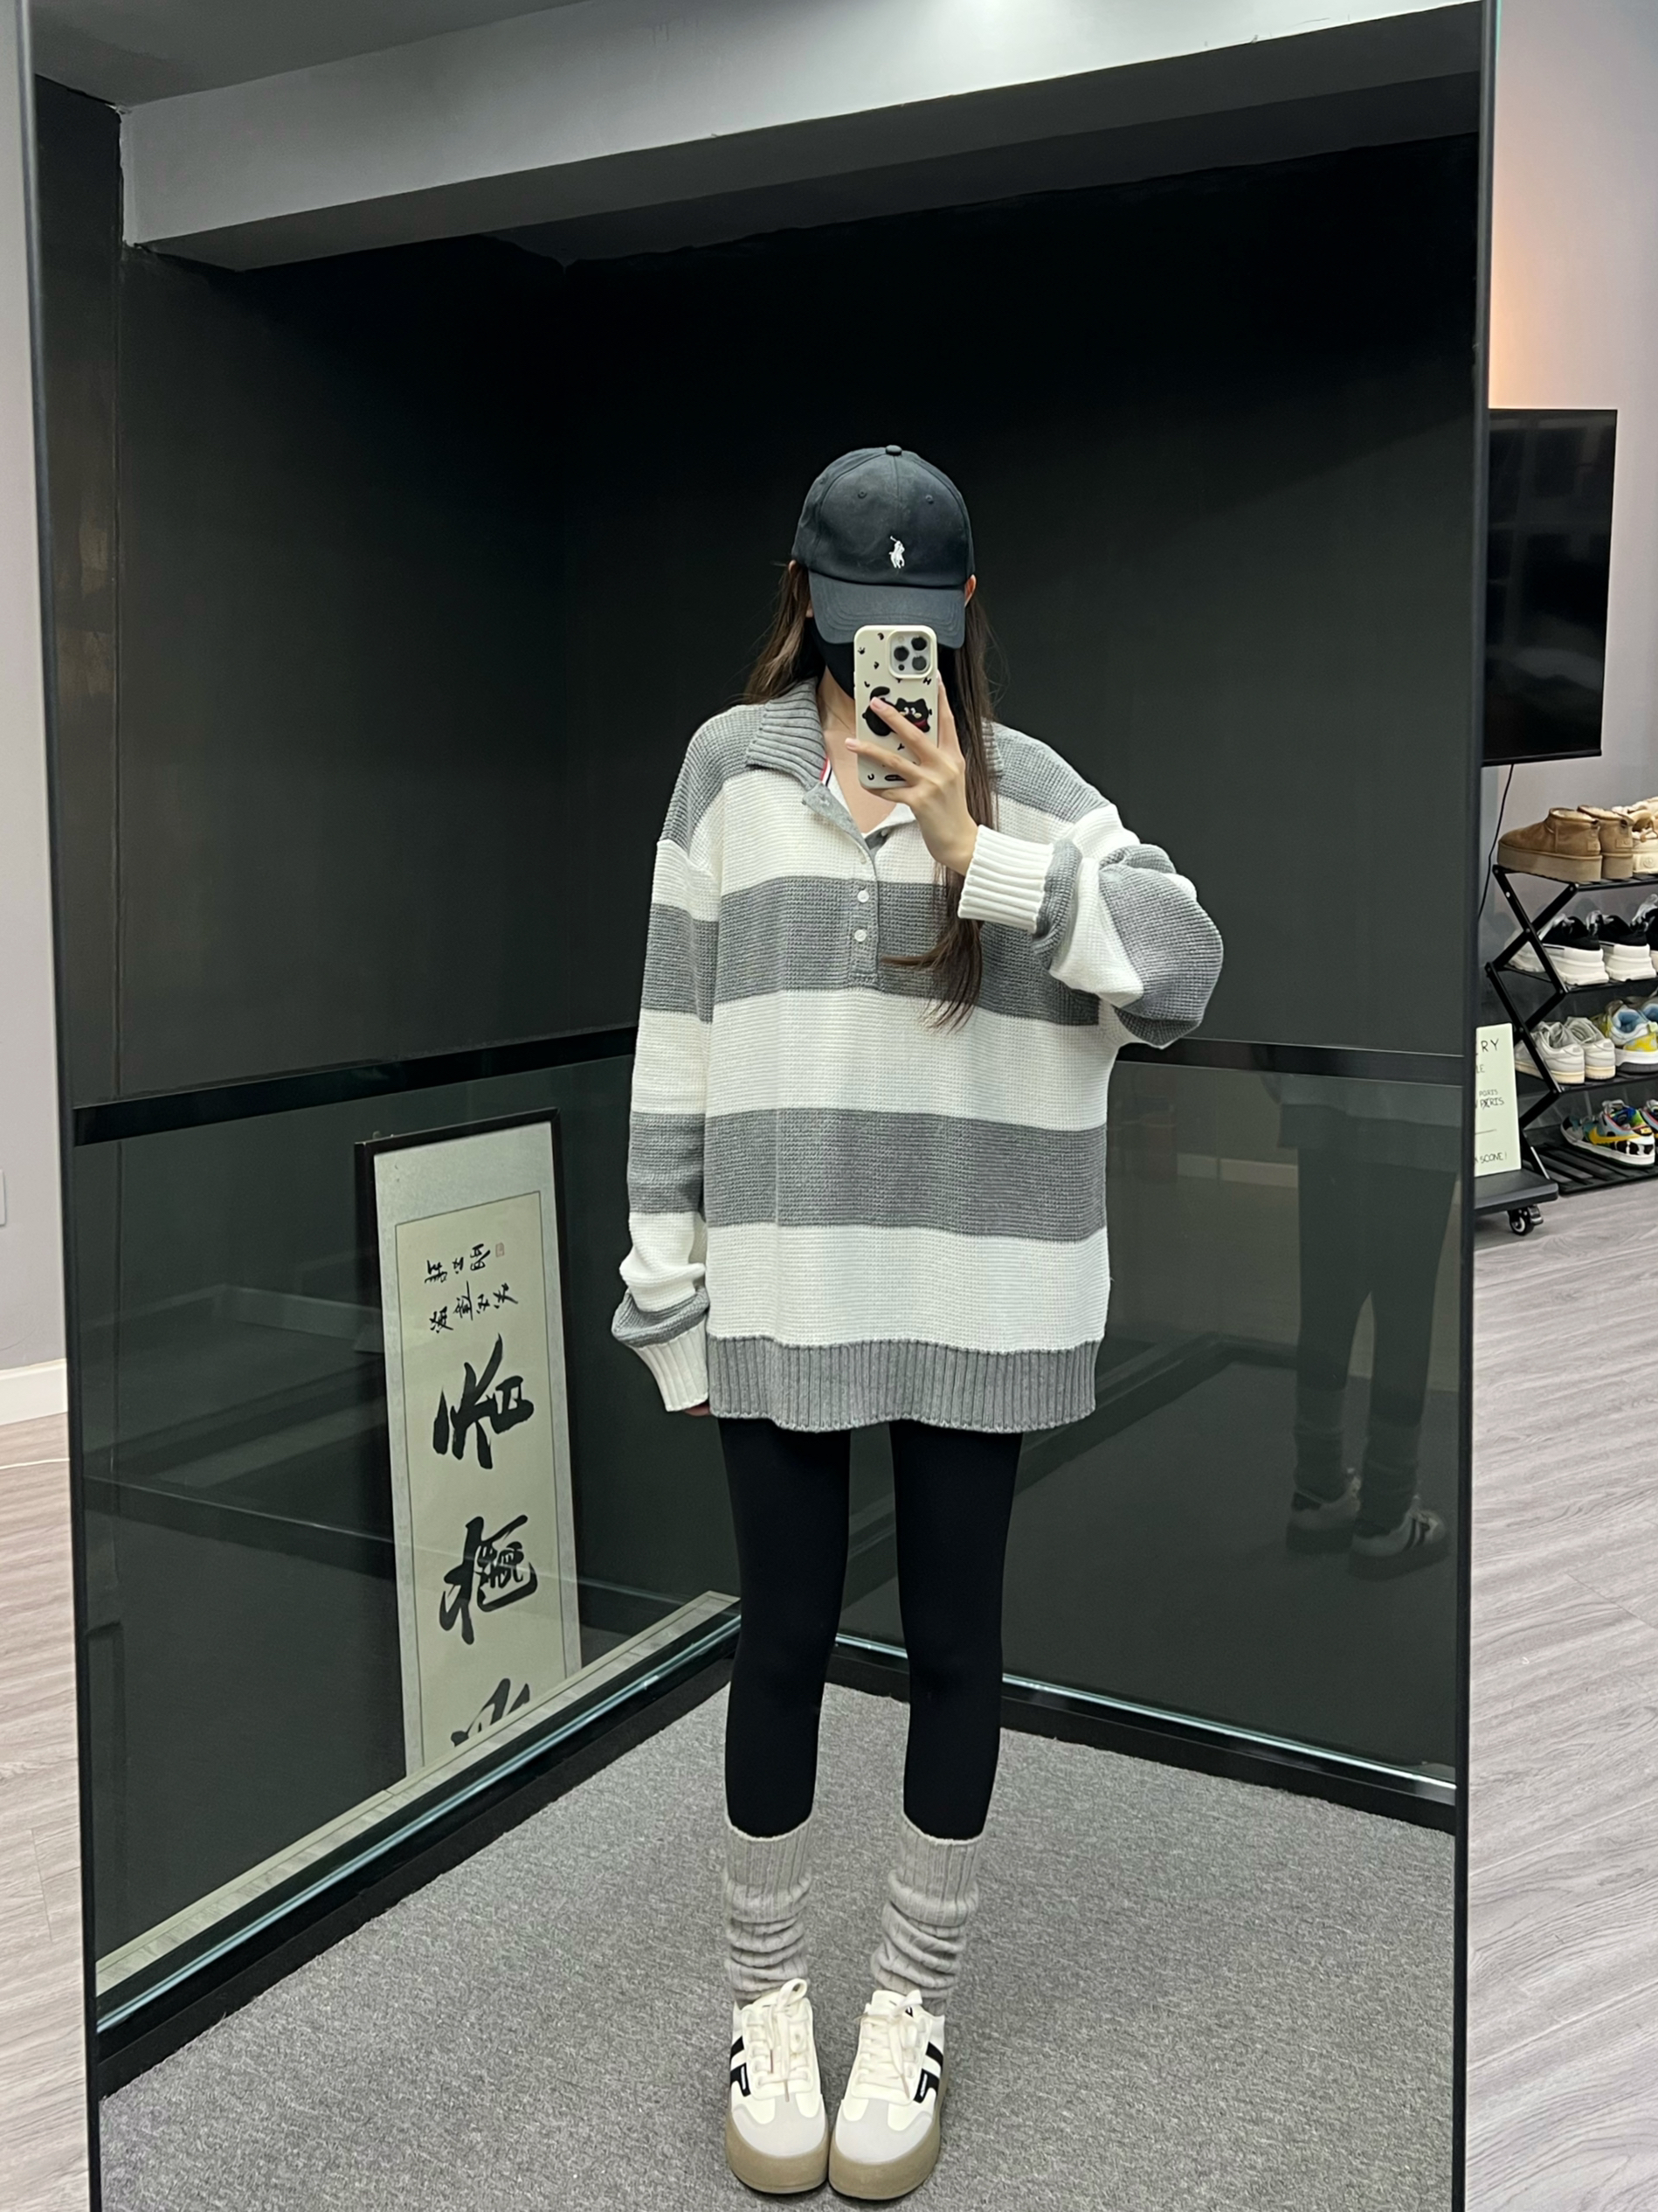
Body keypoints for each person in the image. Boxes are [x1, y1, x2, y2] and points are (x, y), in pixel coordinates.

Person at [611, 446, 1223, 2199]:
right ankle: (765, 2004)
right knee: (782, 1640)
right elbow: (676, 1034)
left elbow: (1182, 975)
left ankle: (908, 2005)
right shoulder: (726, 775)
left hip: (972, 1286)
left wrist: (975, 846)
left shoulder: (1032, 792)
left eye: (913, 620)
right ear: (803, 599)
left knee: (956, 1647)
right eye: (849, 614)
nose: (883, 652)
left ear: (959, 610)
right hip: (786, 1288)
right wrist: (667, 1292)